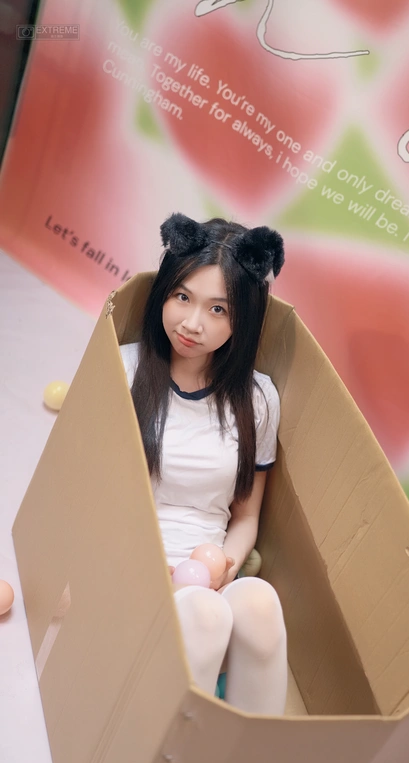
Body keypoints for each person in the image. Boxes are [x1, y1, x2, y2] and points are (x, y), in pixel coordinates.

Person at [119, 212, 288, 715]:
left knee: (258, 602)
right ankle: (168, 745)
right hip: (132, 560)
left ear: (243, 319)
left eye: (218, 309)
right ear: (163, 294)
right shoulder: (124, 369)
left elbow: (247, 516)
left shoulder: (258, 399)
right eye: (182, 297)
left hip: (208, 573)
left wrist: (226, 567)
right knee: (206, 617)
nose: (193, 323)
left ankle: (255, 748)